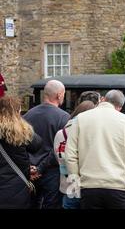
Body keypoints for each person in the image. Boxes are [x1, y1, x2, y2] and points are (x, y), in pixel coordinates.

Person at [65, 90, 125, 209]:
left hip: (89, 187)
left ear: (102, 99)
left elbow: (70, 155)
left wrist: (76, 183)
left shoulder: (80, 119)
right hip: (118, 188)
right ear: (120, 107)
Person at [23, 80, 70, 209]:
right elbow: (59, 148)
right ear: (59, 95)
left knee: (31, 204)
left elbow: (22, 144)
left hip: (30, 170)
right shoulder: (64, 117)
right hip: (52, 171)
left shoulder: (27, 115)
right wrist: (40, 168)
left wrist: (32, 167)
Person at [0, 97, 42, 209]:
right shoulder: (22, 130)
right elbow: (37, 145)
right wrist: (20, 122)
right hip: (17, 188)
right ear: (17, 112)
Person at [53, 101, 95, 209]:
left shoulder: (61, 133)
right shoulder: (93, 133)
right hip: (90, 185)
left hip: (69, 186)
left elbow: (58, 157)